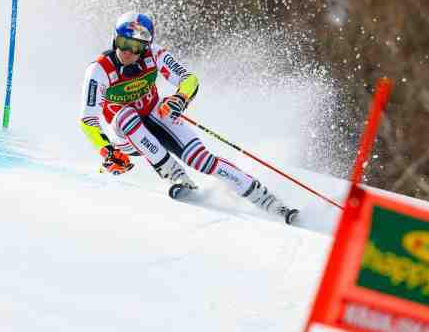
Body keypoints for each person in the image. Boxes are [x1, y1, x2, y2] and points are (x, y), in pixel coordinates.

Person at [79, 12, 298, 223]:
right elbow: (88, 120)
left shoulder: (155, 54)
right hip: (125, 136)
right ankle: (174, 175)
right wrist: (107, 151)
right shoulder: (99, 70)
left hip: (155, 115)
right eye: (123, 42)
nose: (127, 51)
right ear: (114, 39)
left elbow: (189, 79)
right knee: (126, 115)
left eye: (135, 47)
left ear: (145, 47)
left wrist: (180, 98)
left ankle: (266, 199)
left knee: (200, 159)